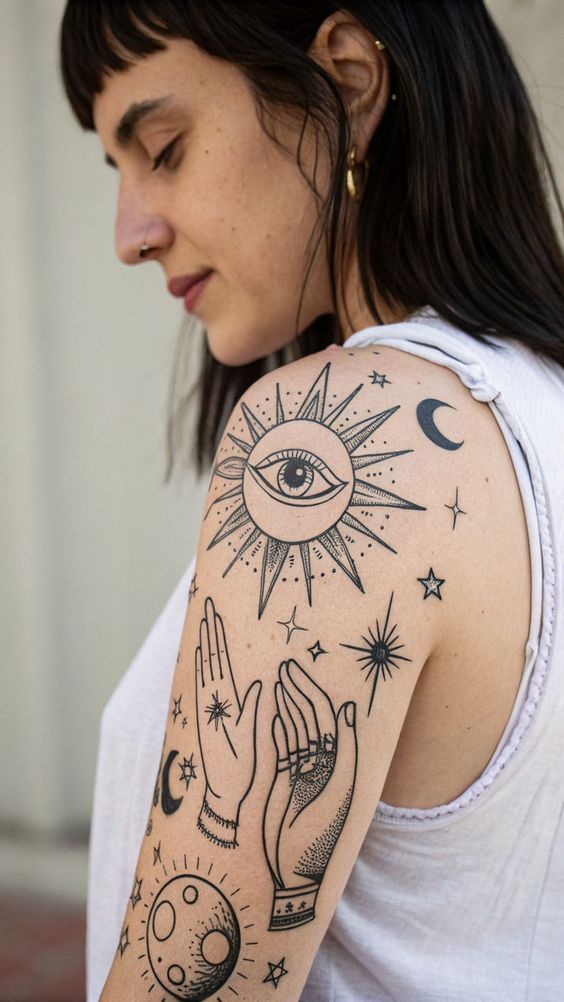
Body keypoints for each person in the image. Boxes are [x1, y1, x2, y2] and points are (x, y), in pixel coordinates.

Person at [59, 2, 564, 1000]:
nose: (129, 233)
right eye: (114, 171)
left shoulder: (335, 433)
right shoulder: (542, 396)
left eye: (162, 148)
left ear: (348, 81)